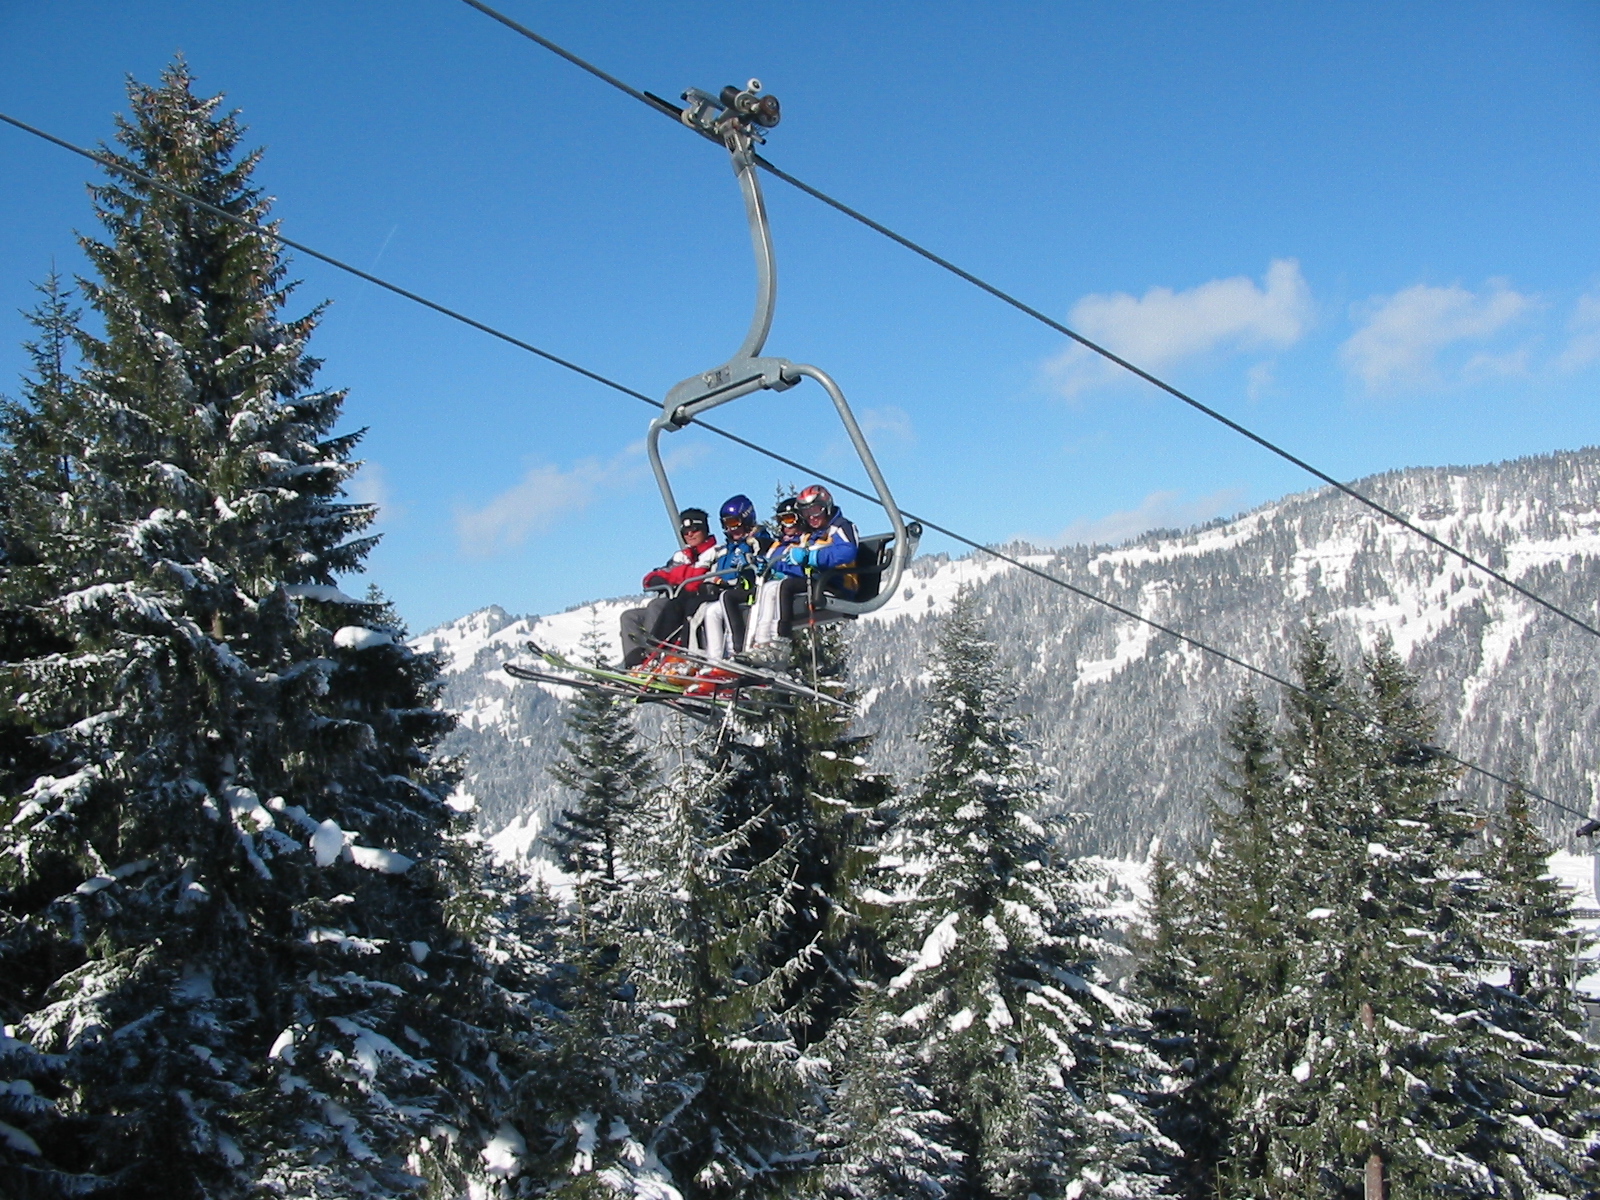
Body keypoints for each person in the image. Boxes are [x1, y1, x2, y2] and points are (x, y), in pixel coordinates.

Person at [747, 485, 859, 648]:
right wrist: (775, 567)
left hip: (837, 582)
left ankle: (780, 643)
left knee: (783, 586)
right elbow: (798, 563)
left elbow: (848, 551)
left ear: (826, 506)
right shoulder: (810, 534)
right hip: (818, 579)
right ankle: (762, 641)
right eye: (806, 513)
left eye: (816, 511)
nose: (812, 517)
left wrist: (814, 557)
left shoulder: (840, 526)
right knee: (770, 587)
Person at [618, 508, 718, 669]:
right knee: (629, 616)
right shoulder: (681, 557)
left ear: (705, 530)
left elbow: (693, 581)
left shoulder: (714, 554)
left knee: (656, 605)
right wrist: (662, 577)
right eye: (685, 532)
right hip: (673, 607)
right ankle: (634, 662)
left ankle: (655, 655)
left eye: (695, 530)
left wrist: (671, 577)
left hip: (690, 606)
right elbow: (650, 578)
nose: (690, 535)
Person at [699, 494, 774, 662]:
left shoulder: (758, 537)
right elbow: (724, 572)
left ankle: (737, 651)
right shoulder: (729, 549)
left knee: (727, 597)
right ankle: (715, 659)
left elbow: (762, 548)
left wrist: (753, 554)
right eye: (726, 524)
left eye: (734, 523)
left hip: (754, 590)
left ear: (746, 519)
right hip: (735, 590)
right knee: (711, 611)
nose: (730, 529)